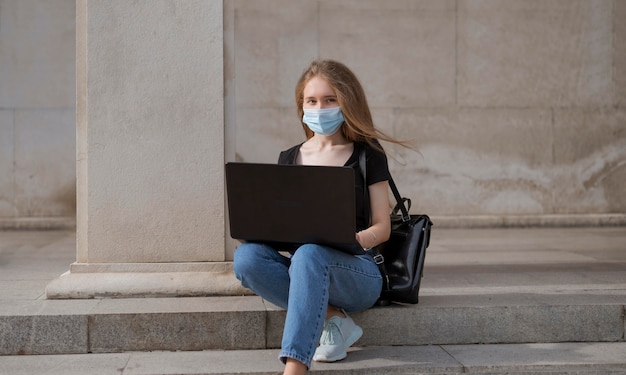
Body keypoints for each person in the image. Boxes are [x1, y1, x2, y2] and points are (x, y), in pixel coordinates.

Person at [233, 59, 408, 375]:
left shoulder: (368, 154)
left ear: (347, 102)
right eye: (312, 100)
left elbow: (382, 227)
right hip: (306, 265)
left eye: (330, 100)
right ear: (301, 106)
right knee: (247, 258)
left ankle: (295, 367)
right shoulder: (289, 157)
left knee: (310, 254)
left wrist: (358, 238)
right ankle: (330, 316)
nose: (320, 107)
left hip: (358, 272)